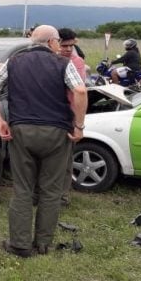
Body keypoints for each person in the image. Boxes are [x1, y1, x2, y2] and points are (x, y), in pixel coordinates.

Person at [0, 25, 87, 258]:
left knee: (22, 189)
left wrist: (0, 120)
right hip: (57, 132)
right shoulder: (63, 64)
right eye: (59, 42)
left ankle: (19, 244)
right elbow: (80, 91)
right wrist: (79, 126)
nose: (60, 46)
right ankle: (43, 243)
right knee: (50, 191)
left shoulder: (14, 62)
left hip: (21, 131)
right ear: (52, 42)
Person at [57, 28, 87, 206]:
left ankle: (63, 195)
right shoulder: (50, 61)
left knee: (65, 158)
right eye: (64, 45)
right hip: (50, 113)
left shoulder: (77, 62)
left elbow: (79, 92)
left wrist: (78, 123)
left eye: (71, 45)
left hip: (68, 114)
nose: (67, 49)